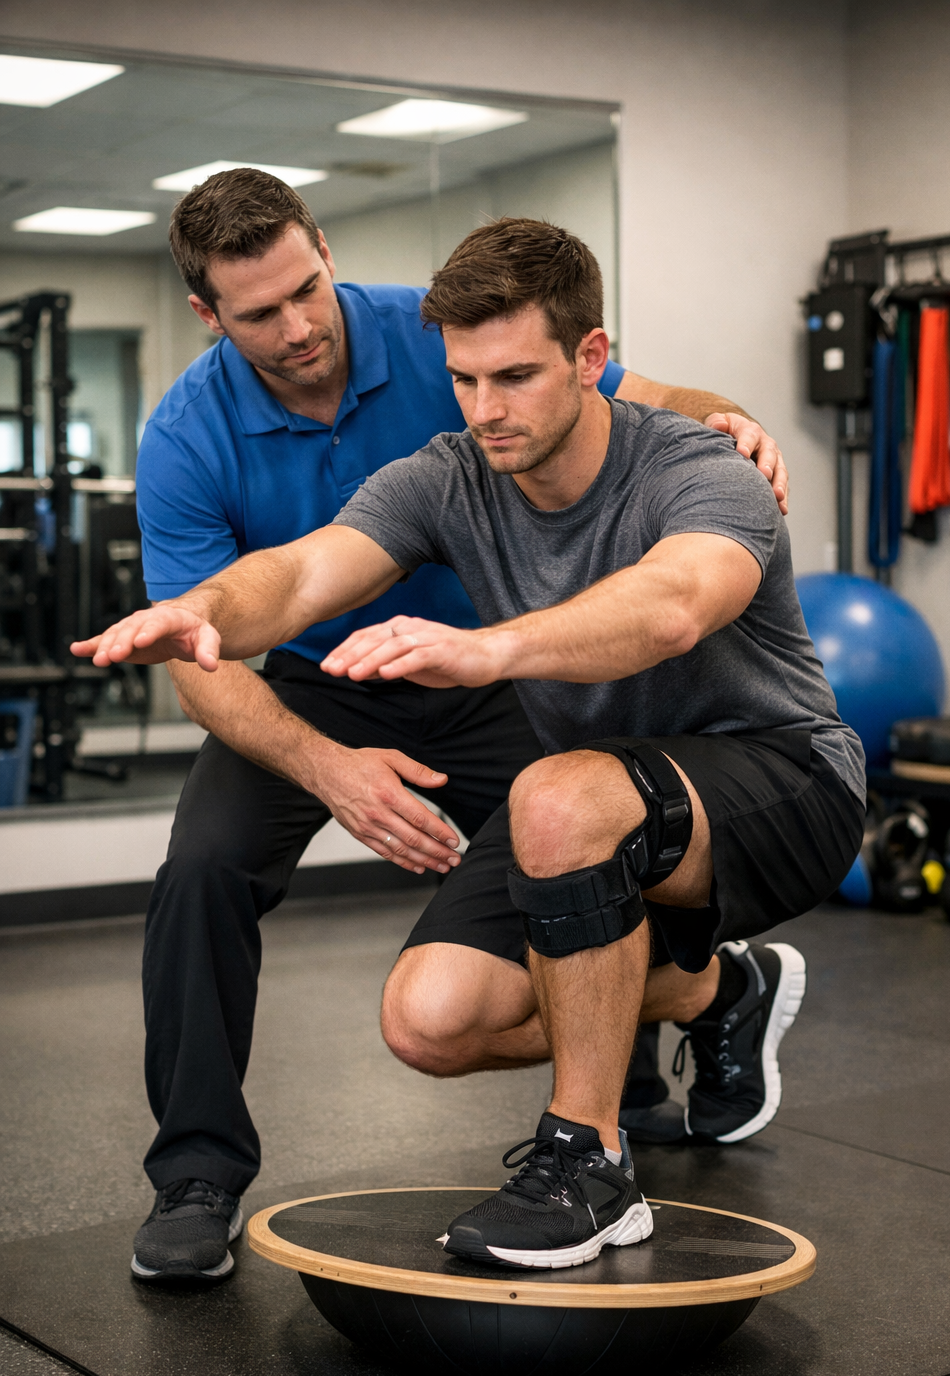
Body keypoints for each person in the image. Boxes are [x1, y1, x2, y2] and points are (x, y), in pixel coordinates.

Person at [98, 186, 791, 1280]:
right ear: (206, 313)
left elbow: (644, 397)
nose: (298, 328)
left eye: (306, 291)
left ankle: (660, 1047)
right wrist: (331, 770)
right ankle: (195, 1174)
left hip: (491, 665)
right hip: (314, 687)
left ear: (326, 254)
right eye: (259, 314)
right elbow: (219, 648)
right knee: (201, 867)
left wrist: (730, 422)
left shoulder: (447, 335)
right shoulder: (188, 434)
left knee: (590, 841)